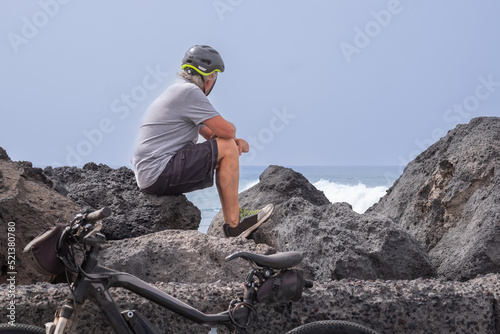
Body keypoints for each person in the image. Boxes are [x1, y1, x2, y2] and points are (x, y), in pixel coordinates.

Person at [131, 45, 274, 238]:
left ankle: (233, 221)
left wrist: (232, 141)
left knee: (227, 146)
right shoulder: (189, 93)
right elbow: (226, 130)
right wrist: (234, 139)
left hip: (151, 175)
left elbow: (211, 134)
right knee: (228, 147)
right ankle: (234, 225)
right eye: (214, 75)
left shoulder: (177, 90)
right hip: (159, 172)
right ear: (209, 77)